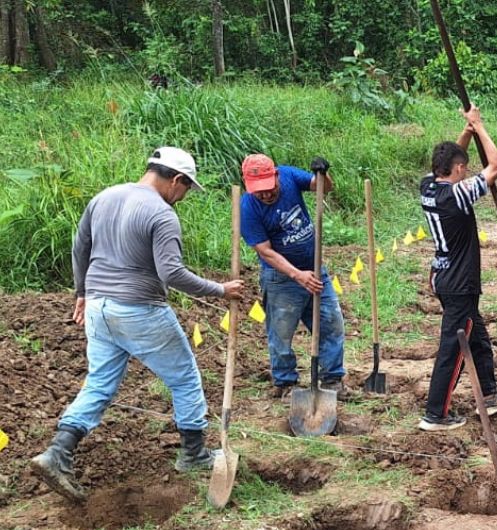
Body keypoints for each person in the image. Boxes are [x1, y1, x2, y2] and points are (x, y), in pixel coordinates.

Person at [30, 147, 245, 502]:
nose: (184, 197)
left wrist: (82, 292)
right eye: (187, 189)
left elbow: (79, 247)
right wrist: (220, 289)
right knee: (186, 377)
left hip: (98, 308)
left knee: (99, 382)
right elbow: (172, 273)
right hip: (139, 308)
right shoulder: (161, 215)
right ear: (176, 180)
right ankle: (194, 454)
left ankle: (58, 453)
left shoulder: (104, 197)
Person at [418, 105, 497, 431]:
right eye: (463, 167)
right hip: (459, 281)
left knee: (477, 336)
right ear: (458, 169)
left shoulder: (428, 188)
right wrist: (479, 126)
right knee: (454, 346)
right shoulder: (457, 196)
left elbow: (453, 161)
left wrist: (467, 132)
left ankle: (489, 393)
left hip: (444, 275)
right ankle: (436, 413)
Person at [240, 153, 345, 399]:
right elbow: (265, 251)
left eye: (268, 188)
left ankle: (332, 379)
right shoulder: (248, 208)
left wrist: (323, 173)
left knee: (331, 323)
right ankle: (285, 382)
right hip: (281, 279)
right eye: (259, 191)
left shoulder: (288, 175)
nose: (265, 194)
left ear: (276, 175)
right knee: (281, 333)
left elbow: (324, 188)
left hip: (316, 269)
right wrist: (297, 275)